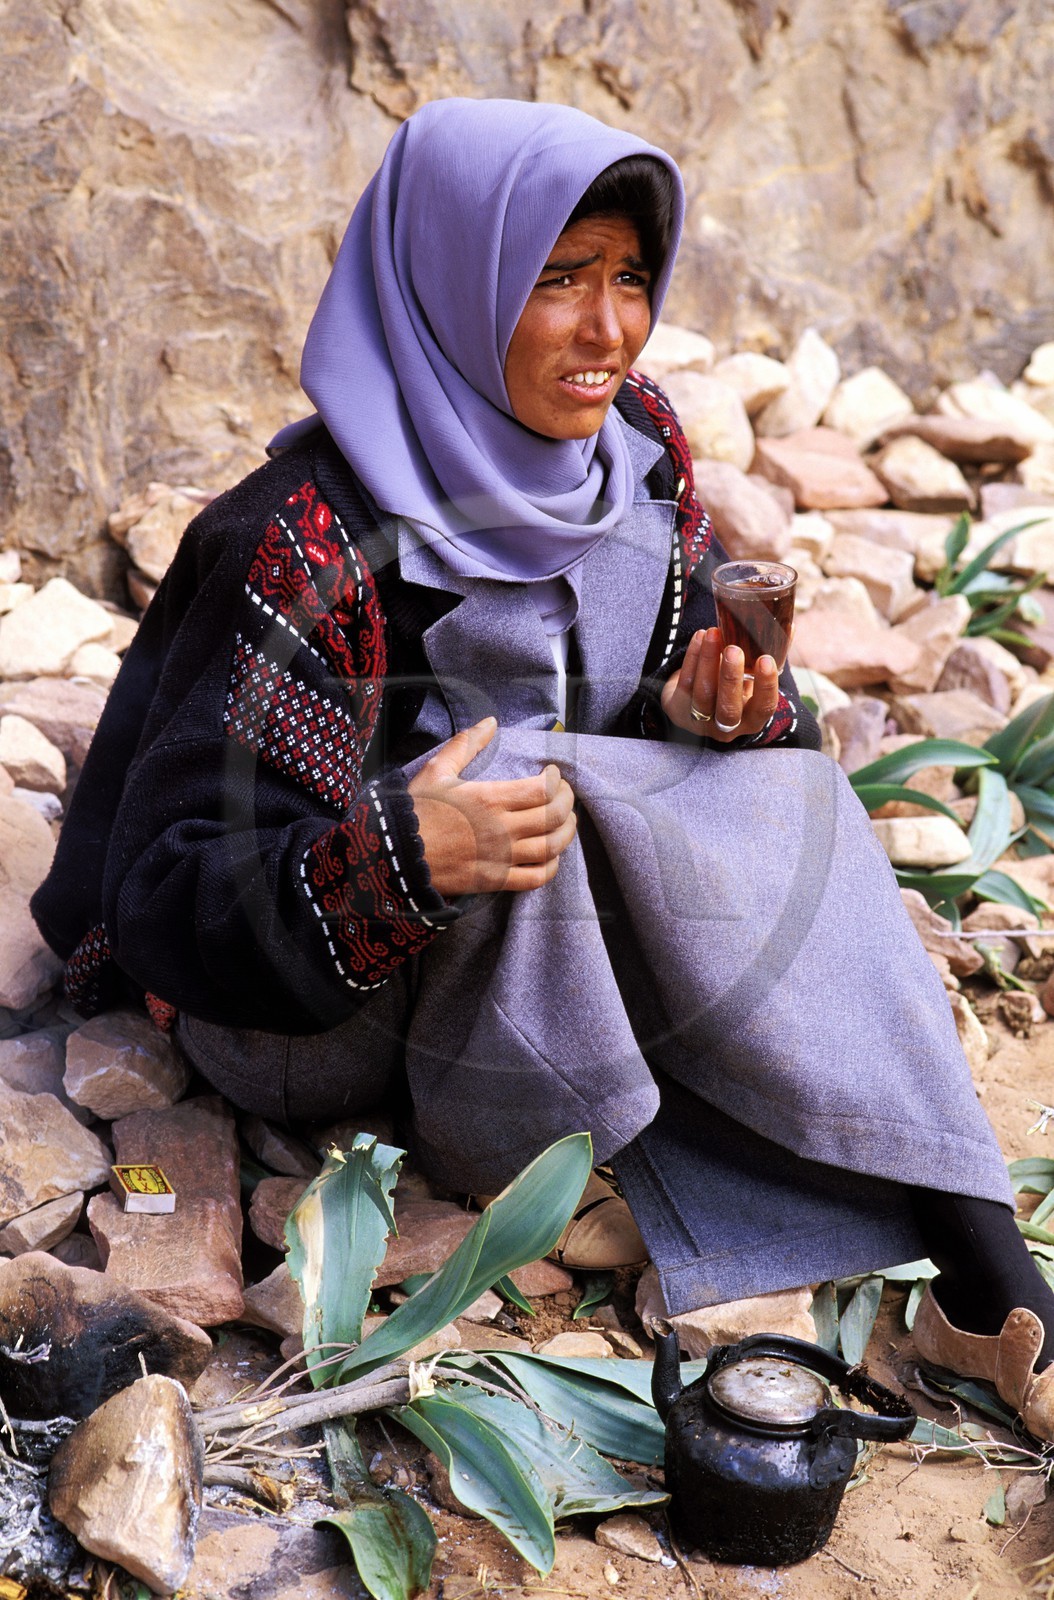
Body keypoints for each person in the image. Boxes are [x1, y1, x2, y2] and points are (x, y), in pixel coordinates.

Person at [32, 98, 1054, 1438]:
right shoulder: (301, 540)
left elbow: (655, 718)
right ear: (450, 287)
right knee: (528, 772)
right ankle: (635, 1186)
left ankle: (984, 1293)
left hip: (543, 939)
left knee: (792, 791)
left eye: (629, 276)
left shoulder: (631, 455)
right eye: (555, 279)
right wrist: (398, 854)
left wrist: (713, 708)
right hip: (312, 1021)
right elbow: (169, 899)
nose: (609, 327)